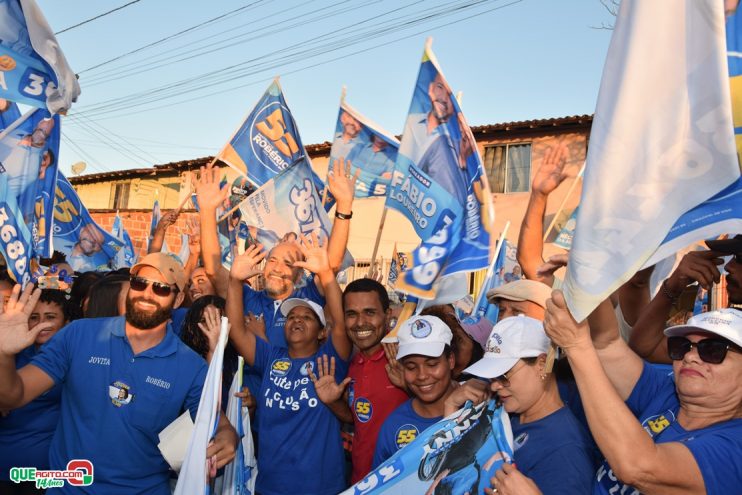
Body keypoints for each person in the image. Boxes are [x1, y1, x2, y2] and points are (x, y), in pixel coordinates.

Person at [0, 252, 237, 494]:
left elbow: (217, 423)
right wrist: (3, 353)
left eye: (161, 289)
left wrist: (228, 437)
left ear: (177, 301)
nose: (147, 293)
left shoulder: (189, 365)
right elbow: (12, 395)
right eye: (140, 283)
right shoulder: (79, 335)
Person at [544, 291, 742, 495]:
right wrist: (589, 279)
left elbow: (639, 467)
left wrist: (577, 347)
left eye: (713, 350)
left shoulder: (736, 448)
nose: (690, 356)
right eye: (682, 346)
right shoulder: (669, 392)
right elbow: (606, 343)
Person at [197, 161, 356, 393]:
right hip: (248, 412)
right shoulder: (248, 298)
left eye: (288, 263)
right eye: (272, 260)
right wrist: (207, 211)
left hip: (297, 404)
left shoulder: (308, 301)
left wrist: (344, 205)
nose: (277, 268)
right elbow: (212, 269)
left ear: (300, 272)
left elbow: (329, 267)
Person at [226, 232, 352, 495]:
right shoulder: (271, 358)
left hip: (319, 488)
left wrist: (327, 274)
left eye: (307, 316)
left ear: (321, 331)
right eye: (292, 315)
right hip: (269, 487)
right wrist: (235, 280)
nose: (297, 319)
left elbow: (342, 325)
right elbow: (237, 330)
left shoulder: (329, 360)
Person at [450, 315, 595, 495]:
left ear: (542, 365)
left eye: (503, 375)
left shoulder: (566, 452)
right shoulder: (506, 411)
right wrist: (450, 408)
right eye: (491, 376)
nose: (494, 385)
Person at [310, 278, 409, 483]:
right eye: (352, 314)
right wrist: (333, 402)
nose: (360, 322)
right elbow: (358, 420)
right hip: (361, 483)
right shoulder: (353, 364)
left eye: (370, 312)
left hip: (401, 483)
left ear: (388, 315)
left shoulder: (406, 357)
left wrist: (410, 385)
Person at [0, 289, 71, 495]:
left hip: (46, 473)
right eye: (34, 317)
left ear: (66, 323)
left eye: (50, 317)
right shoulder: (9, 354)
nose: (41, 324)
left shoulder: (76, 359)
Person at [630, 235, 742, 363]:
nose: (728, 267)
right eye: (733, 257)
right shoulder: (733, 327)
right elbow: (646, 348)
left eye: (740, 258)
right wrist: (673, 286)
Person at [372, 315, 460, 468]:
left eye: (432, 364)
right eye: (411, 367)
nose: (422, 376)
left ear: (451, 360)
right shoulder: (393, 426)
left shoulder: (478, 407)